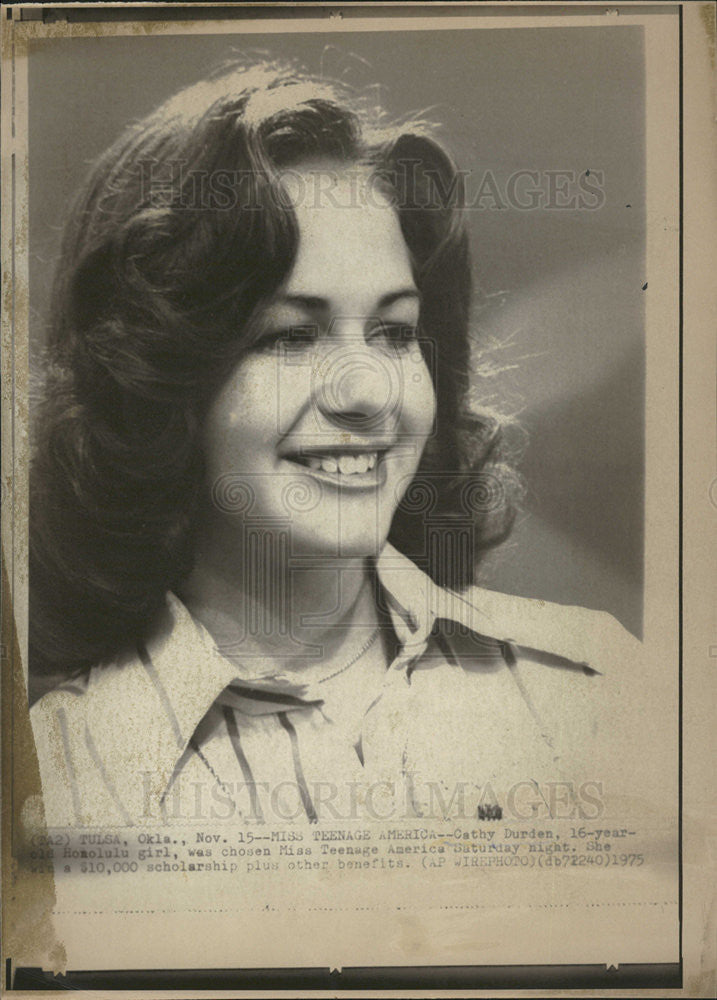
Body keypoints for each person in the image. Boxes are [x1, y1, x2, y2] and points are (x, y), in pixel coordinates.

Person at [28, 59, 669, 830]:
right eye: (290, 336)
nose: (367, 394)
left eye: (394, 333)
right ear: (157, 380)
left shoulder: (596, 688)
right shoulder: (57, 780)